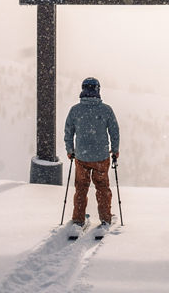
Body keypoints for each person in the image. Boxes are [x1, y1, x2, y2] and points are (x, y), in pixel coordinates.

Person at [64, 77, 120, 228]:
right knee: (102, 188)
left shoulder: (75, 110)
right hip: (101, 157)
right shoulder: (106, 110)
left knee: (81, 189)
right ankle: (105, 219)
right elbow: (114, 131)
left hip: (81, 156)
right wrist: (115, 150)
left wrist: (70, 150)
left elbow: (68, 131)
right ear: (98, 90)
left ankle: (78, 219)